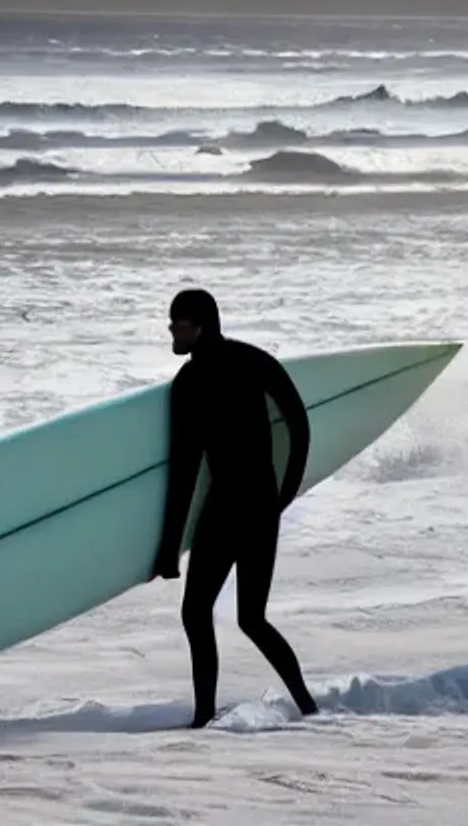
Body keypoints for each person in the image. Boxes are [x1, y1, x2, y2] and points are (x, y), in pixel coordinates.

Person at [151, 288, 319, 728]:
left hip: (226, 508)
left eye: (177, 324)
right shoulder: (254, 360)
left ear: (199, 325)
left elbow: (185, 473)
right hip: (263, 504)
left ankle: (203, 717)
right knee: (253, 618)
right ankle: (308, 706)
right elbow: (300, 425)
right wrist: (284, 494)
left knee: (196, 612)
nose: (171, 331)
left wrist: (170, 550)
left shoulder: (187, 387)